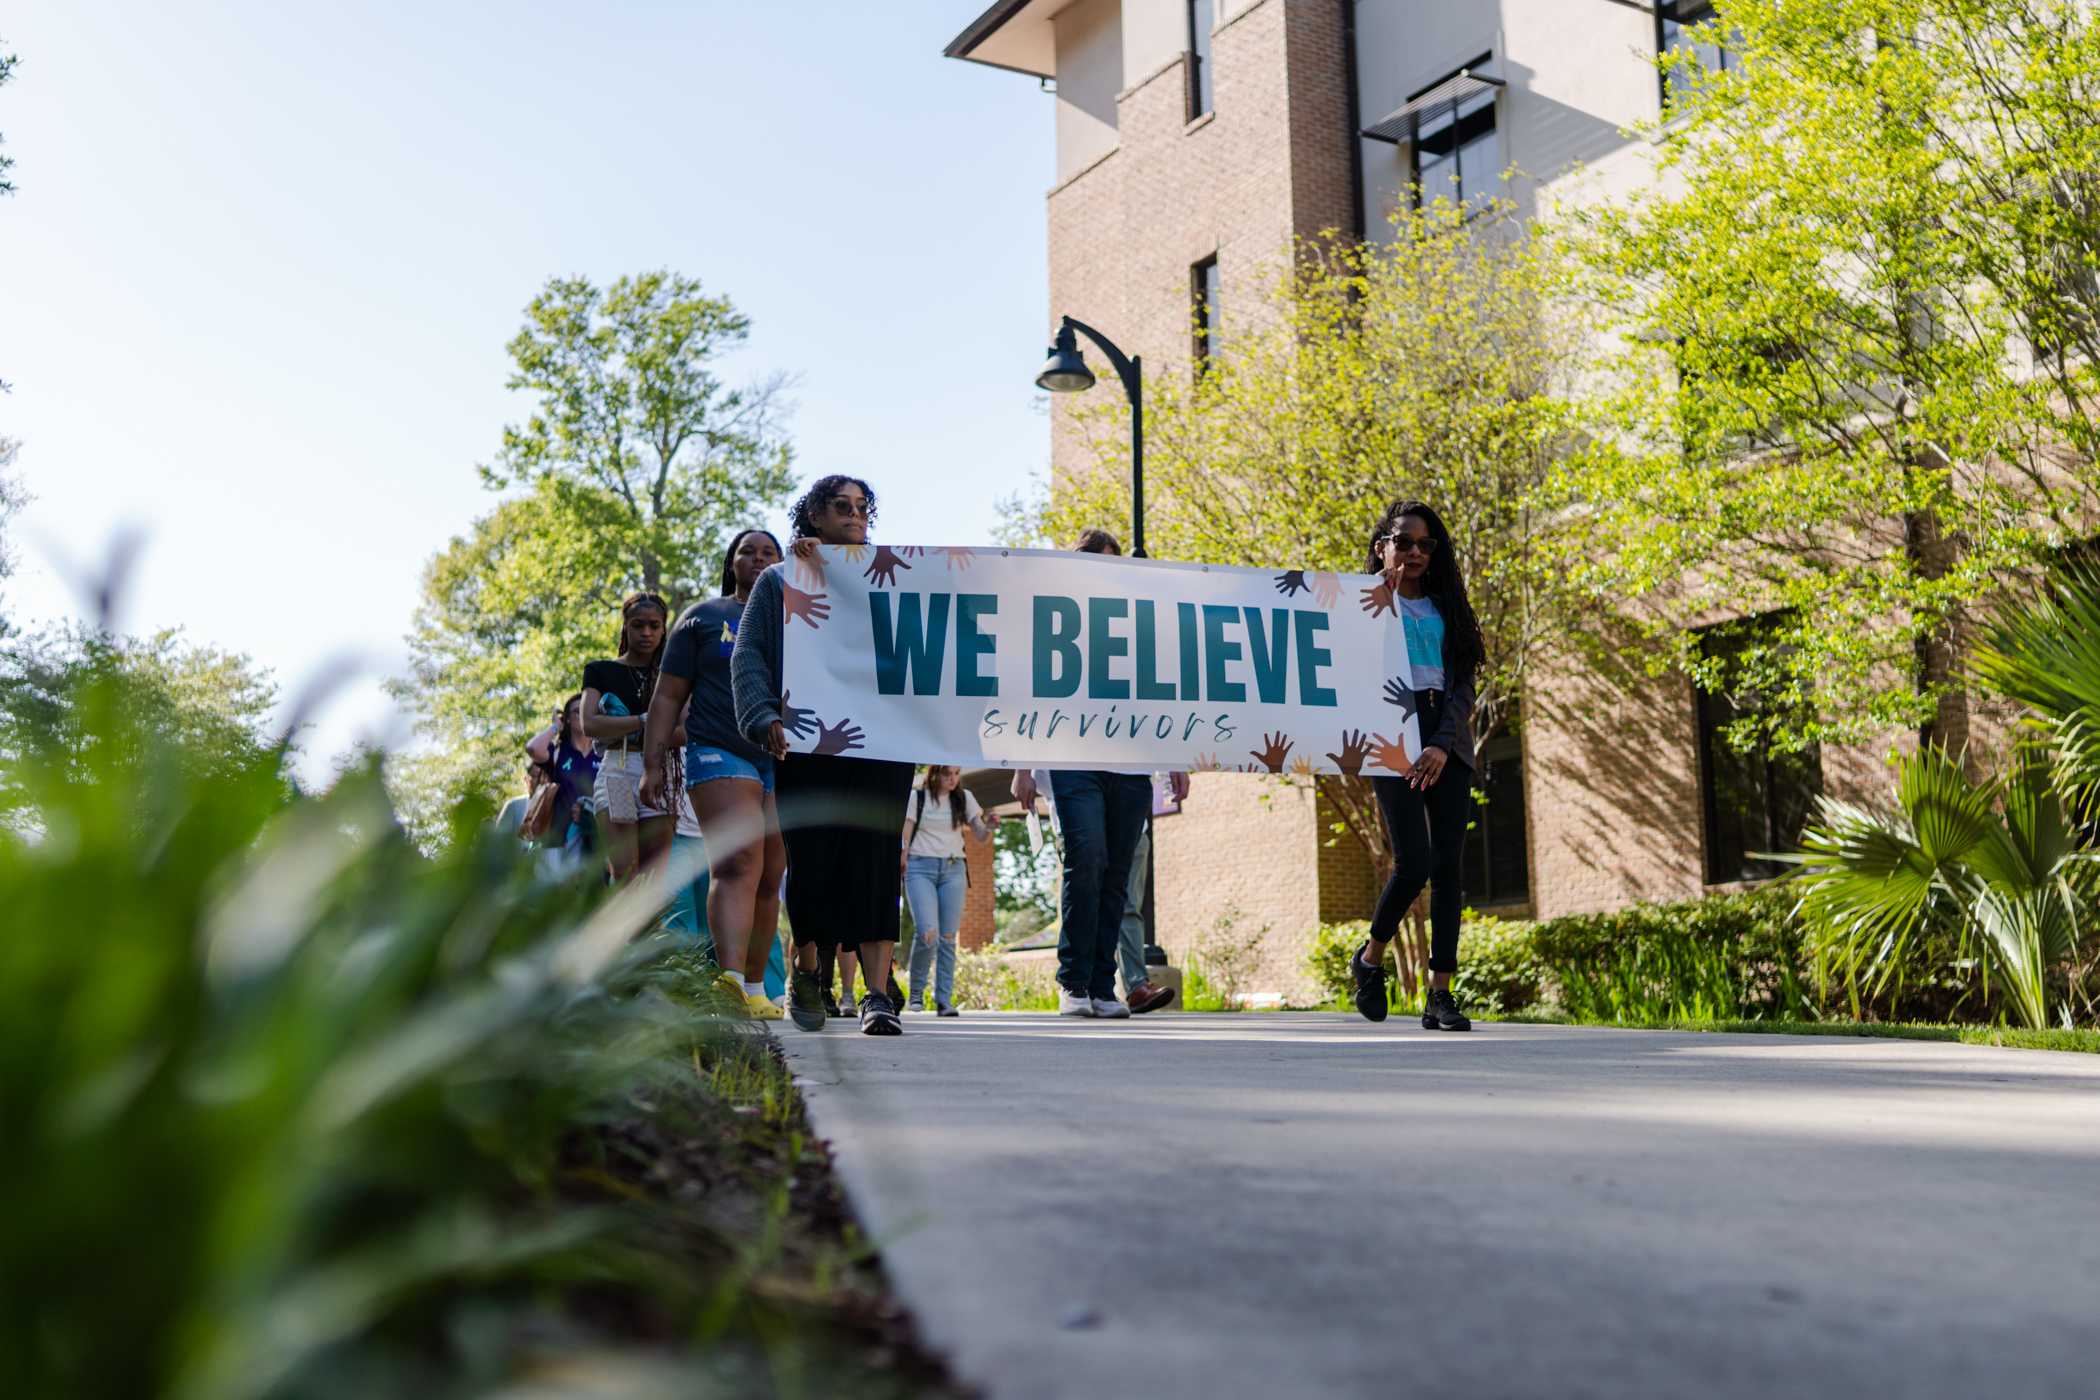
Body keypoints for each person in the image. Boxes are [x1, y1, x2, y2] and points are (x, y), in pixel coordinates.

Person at [733, 473, 918, 1036]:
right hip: (810, 743)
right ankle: (806, 970)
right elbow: (749, 656)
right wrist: (762, 717)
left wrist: (939, 728)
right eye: (842, 507)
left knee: (876, 861)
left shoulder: (902, 580)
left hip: (884, 745)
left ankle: (878, 994)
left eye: (863, 508)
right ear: (814, 516)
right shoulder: (780, 581)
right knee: (814, 862)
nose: (855, 516)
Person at [1012, 527, 1190, 1019]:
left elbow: (1162, 689)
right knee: (1086, 858)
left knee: (1115, 873)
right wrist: (1023, 765)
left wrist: (1174, 758)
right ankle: (1072, 982)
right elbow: (1031, 685)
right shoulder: (1054, 615)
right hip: (1072, 759)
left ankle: (1099, 986)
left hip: (1131, 764)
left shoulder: (1140, 623)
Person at [642, 531, 789, 1020]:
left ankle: (754, 989)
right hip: (719, 750)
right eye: (747, 552)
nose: (758, 559)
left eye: (770, 553)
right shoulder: (702, 619)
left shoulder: (801, 621)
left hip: (784, 757)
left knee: (771, 874)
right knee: (739, 863)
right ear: (732, 563)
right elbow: (666, 697)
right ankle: (727, 979)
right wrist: (652, 762)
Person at [1349, 500, 1482, 1033]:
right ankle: (1371, 958)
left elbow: (1464, 683)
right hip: (1390, 731)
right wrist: (1380, 592)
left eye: (1427, 544)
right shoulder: (1363, 604)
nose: (1417, 553)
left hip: (1445, 735)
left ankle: (1440, 995)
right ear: (1383, 543)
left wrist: (1443, 744)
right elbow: (1350, 664)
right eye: (1404, 541)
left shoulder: (1448, 605)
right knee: (1413, 863)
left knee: (1448, 867)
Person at [582, 592, 673, 884]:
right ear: (625, 627)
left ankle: (653, 931)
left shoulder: (674, 676)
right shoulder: (600, 670)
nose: (646, 632)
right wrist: (647, 721)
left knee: (655, 877)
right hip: (618, 771)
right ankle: (621, 931)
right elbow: (590, 723)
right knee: (625, 869)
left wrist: (621, 725)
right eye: (638, 625)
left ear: (663, 628)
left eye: (654, 625)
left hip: (662, 771)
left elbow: (687, 729)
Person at [901, 765, 997, 1016]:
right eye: (947, 774)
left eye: (956, 773)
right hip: (919, 867)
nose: (953, 779)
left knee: (947, 938)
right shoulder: (916, 798)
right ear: (934, 774)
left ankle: (943, 1000)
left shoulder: (964, 798)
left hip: (954, 869)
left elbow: (980, 835)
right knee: (927, 933)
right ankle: (916, 994)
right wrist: (902, 857)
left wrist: (989, 825)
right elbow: (906, 833)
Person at [526, 692, 599, 870]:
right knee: (557, 896)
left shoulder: (603, 751)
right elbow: (533, 748)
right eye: (576, 711)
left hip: (595, 841)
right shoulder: (558, 751)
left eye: (586, 710)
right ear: (566, 719)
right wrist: (554, 727)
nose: (582, 715)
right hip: (556, 843)